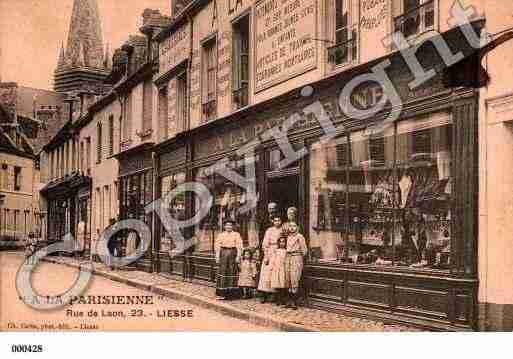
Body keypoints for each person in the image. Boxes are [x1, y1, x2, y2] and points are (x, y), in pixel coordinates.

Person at [215, 220, 243, 300]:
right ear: (224, 226)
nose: (228, 227)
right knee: (223, 272)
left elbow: (239, 246)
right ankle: (222, 294)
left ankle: (232, 294)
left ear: (233, 226)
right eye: (227, 225)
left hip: (232, 254)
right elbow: (217, 246)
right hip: (223, 254)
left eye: (230, 225)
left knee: (232, 271)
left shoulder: (236, 234)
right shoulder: (221, 235)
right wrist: (217, 256)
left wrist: (238, 256)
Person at [257, 216, 282, 303]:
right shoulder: (269, 230)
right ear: (273, 221)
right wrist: (266, 256)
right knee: (266, 273)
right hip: (270, 251)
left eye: (279, 220)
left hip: (278, 252)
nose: (277, 222)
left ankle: (273, 294)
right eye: (275, 220)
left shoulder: (282, 230)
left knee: (275, 273)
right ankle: (263, 294)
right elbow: (265, 244)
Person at [285, 222, 308, 310]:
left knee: (295, 278)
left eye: (294, 226)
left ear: (297, 227)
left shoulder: (300, 237)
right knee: (288, 279)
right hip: (288, 257)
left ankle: (294, 301)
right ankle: (289, 300)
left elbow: (304, 250)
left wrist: (298, 255)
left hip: (296, 257)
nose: (292, 228)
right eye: (290, 226)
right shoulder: (288, 237)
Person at [271, 235, 289, 306]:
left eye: (283, 242)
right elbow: (273, 259)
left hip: (283, 269)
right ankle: (278, 299)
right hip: (277, 268)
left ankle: (283, 299)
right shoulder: (276, 251)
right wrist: (272, 267)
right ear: (278, 243)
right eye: (280, 242)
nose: (282, 243)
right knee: (277, 284)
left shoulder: (286, 251)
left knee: (283, 284)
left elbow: (287, 260)